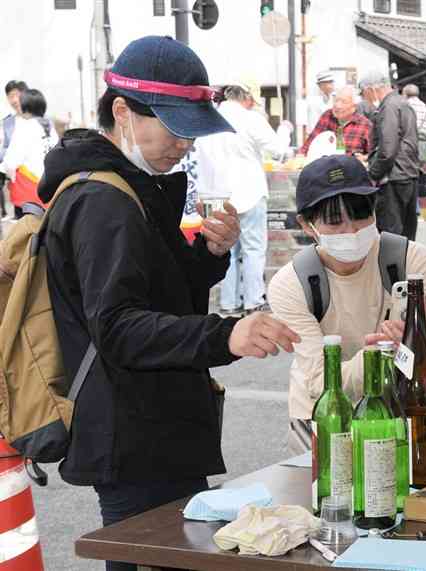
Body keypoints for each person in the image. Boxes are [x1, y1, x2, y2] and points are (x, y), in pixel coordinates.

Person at [36, 36, 300, 571]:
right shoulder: (103, 201)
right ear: (122, 112)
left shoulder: (131, 186)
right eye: (175, 126)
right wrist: (225, 335)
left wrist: (208, 253)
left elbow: (162, 293)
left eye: (192, 130)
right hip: (133, 433)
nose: (184, 143)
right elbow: (118, 327)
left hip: (149, 426)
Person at [267, 154, 426, 455]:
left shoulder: (411, 260)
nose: (351, 230)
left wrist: (422, 342)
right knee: (327, 499)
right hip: (325, 418)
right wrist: (379, 355)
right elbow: (320, 381)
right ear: (307, 225)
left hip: (399, 409)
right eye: (334, 221)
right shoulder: (292, 283)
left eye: (361, 213)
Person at [193, 83, 290, 315]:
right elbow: (278, 151)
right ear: (246, 98)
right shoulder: (250, 119)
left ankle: (228, 302)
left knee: (226, 248)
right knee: (253, 248)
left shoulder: (207, 118)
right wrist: (285, 130)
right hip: (249, 192)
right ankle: (253, 300)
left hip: (216, 196)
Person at [361, 71, 420, 240]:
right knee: (407, 233)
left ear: (372, 89)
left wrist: (373, 174)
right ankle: (407, 265)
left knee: (390, 234)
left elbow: (388, 148)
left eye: (364, 93)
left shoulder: (388, 107)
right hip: (409, 173)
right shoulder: (402, 102)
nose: (365, 98)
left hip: (394, 176)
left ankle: (394, 267)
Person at [0, 88, 59, 218]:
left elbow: (11, 161)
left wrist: (7, 173)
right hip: (50, 187)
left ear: (24, 105)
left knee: (28, 231)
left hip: (30, 190)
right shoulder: (48, 125)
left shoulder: (25, 126)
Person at [299, 86, 371, 157]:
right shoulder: (327, 116)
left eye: (344, 102)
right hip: (325, 166)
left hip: (348, 167)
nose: (338, 105)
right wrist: (300, 155)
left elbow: (373, 156)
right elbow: (310, 142)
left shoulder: (365, 125)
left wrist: (364, 158)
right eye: (336, 100)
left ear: (354, 106)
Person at [0, 80, 27, 220]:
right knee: (20, 222)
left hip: (36, 179)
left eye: (17, 94)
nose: (14, 99)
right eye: (10, 96)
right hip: (17, 180)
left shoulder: (41, 120)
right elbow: (4, 149)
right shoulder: (7, 123)